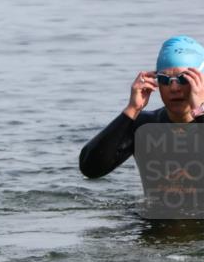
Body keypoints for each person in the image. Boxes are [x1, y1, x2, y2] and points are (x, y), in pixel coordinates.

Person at [80, 35, 204, 179]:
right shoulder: (145, 126)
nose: (174, 87)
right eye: (164, 79)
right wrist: (132, 110)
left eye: (184, 78)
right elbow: (90, 169)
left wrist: (200, 110)